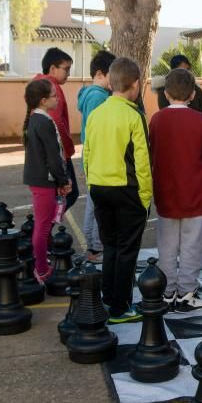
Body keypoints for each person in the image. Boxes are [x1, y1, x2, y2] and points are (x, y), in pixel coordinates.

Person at [83, 57, 152, 324]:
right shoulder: (134, 115)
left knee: (110, 247)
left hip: (99, 189)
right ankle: (120, 307)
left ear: (110, 83)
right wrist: (145, 198)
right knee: (126, 251)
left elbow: (87, 153)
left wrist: (91, 184)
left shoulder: (97, 112)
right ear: (135, 85)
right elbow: (143, 162)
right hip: (126, 191)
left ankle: (109, 298)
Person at [149, 68, 202, 312]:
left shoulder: (156, 120)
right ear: (192, 94)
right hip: (195, 193)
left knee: (166, 245)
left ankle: (167, 292)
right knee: (192, 245)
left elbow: (153, 153)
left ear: (166, 94)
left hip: (166, 192)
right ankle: (186, 292)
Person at [22, 78, 71, 285]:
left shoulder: (36, 118)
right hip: (44, 181)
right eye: (53, 95)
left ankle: (41, 263)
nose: (57, 98)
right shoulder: (44, 122)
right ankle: (41, 269)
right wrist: (63, 180)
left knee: (44, 223)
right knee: (42, 227)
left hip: (40, 180)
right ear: (43, 101)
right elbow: (53, 156)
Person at [77, 49, 116, 263]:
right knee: (95, 204)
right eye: (112, 74)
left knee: (96, 202)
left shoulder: (97, 95)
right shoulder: (97, 97)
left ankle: (95, 245)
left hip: (95, 157)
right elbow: (96, 131)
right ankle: (93, 248)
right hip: (96, 158)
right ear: (100, 73)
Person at [34, 48, 78, 210]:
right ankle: (46, 227)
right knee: (69, 194)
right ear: (52, 69)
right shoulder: (52, 87)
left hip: (43, 151)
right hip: (56, 152)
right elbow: (57, 122)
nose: (68, 74)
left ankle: (45, 227)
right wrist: (67, 149)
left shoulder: (37, 84)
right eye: (66, 69)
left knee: (55, 195)